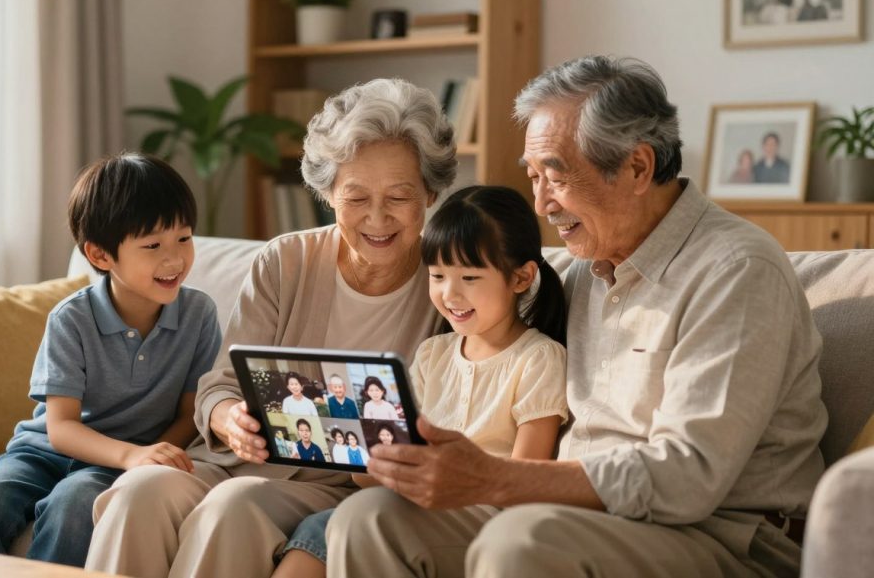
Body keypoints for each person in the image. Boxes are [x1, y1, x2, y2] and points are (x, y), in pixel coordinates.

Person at [325, 56, 826, 578]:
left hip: (720, 535)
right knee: (370, 519)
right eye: (533, 177)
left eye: (557, 179)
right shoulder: (584, 269)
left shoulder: (735, 271)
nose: (541, 205)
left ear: (637, 167)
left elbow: (687, 480)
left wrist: (495, 478)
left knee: (520, 542)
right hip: (574, 518)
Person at [84, 77, 457, 578]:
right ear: (327, 194)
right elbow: (218, 386)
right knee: (138, 489)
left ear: (430, 193)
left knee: (234, 506)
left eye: (399, 196)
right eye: (356, 197)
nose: (377, 218)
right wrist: (229, 421)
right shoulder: (287, 259)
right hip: (232, 463)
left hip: (338, 487)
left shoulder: (450, 281)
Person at [275, 184, 570, 578]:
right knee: (315, 533)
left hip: (483, 514)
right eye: (437, 276)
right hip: (409, 503)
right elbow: (373, 474)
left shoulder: (538, 358)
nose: (450, 294)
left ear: (520, 278)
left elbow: (523, 477)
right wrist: (360, 451)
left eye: (469, 276)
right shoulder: (434, 354)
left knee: (351, 524)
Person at [0, 153, 222, 567]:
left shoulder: (199, 314)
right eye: (153, 245)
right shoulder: (72, 318)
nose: (174, 259)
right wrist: (131, 456)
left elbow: (191, 413)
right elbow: (61, 428)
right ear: (100, 255)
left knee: (75, 505)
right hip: (44, 453)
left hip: (122, 461)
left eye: (183, 238)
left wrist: (150, 456)